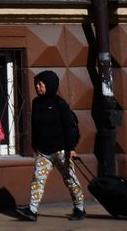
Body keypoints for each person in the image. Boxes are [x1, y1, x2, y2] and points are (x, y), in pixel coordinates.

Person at [15, 70, 85, 222]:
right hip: (44, 152)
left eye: (41, 84)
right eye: (36, 84)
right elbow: (34, 125)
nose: (37, 87)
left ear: (50, 85)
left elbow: (68, 127)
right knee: (38, 179)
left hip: (61, 151)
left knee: (70, 179)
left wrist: (71, 148)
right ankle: (32, 211)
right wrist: (34, 144)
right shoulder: (36, 102)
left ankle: (80, 208)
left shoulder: (60, 104)